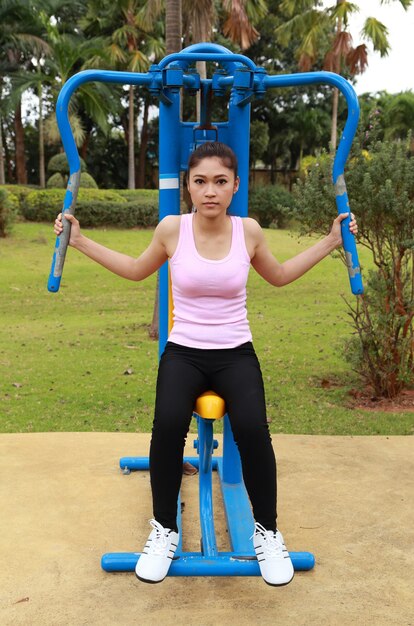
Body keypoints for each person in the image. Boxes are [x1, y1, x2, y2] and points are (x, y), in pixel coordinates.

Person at [54, 141, 358, 587]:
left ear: (235, 185)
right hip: (184, 352)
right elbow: (137, 269)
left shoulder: (248, 231)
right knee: (167, 425)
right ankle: (164, 530)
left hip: (235, 351)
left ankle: (268, 532)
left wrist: (332, 240)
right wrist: (78, 240)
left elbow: (280, 275)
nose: (210, 190)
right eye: (200, 182)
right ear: (188, 187)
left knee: (254, 428)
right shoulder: (172, 229)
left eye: (220, 181)